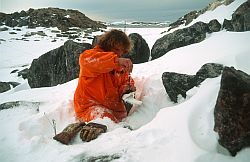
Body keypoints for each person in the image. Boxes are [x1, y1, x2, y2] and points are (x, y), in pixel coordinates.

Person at [73, 29, 136, 142]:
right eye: (116, 49)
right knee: (109, 123)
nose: (119, 54)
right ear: (107, 45)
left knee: (114, 125)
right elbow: (86, 60)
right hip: (89, 107)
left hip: (113, 109)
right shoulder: (91, 57)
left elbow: (125, 81)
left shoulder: (119, 66)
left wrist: (127, 89)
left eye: (122, 51)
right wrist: (116, 61)